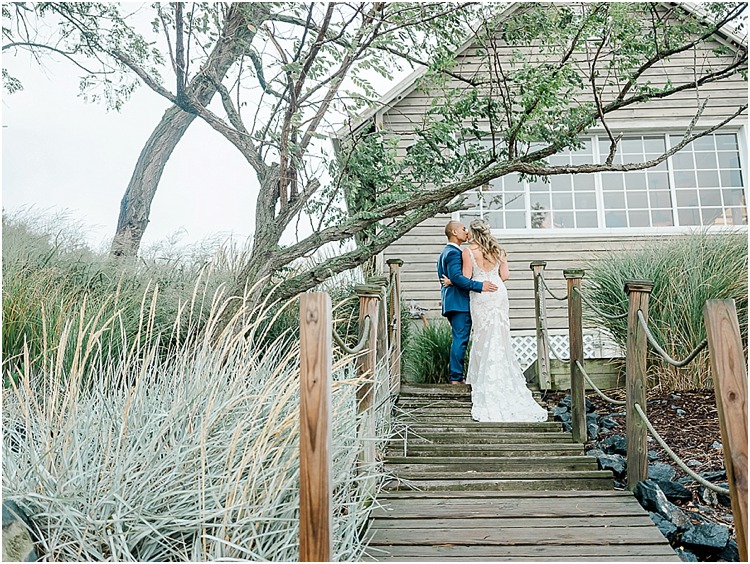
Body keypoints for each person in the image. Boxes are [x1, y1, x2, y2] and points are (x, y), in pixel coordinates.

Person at [442, 219, 547, 422]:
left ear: (473, 233)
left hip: (481, 294)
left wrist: (452, 281)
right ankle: (501, 377)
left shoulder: (468, 252)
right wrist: (494, 277)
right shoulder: (499, 250)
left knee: (483, 335)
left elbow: (467, 278)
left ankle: (482, 378)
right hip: (498, 291)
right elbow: (505, 275)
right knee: (499, 333)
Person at [437, 221, 497, 385]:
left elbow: (454, 278)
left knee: (460, 338)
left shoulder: (447, 252)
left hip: (454, 302)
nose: (466, 231)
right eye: (463, 229)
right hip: (459, 303)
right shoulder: (453, 253)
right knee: (461, 339)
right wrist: (480, 286)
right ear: (454, 232)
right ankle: (456, 378)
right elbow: (457, 277)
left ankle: (457, 376)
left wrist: (453, 281)